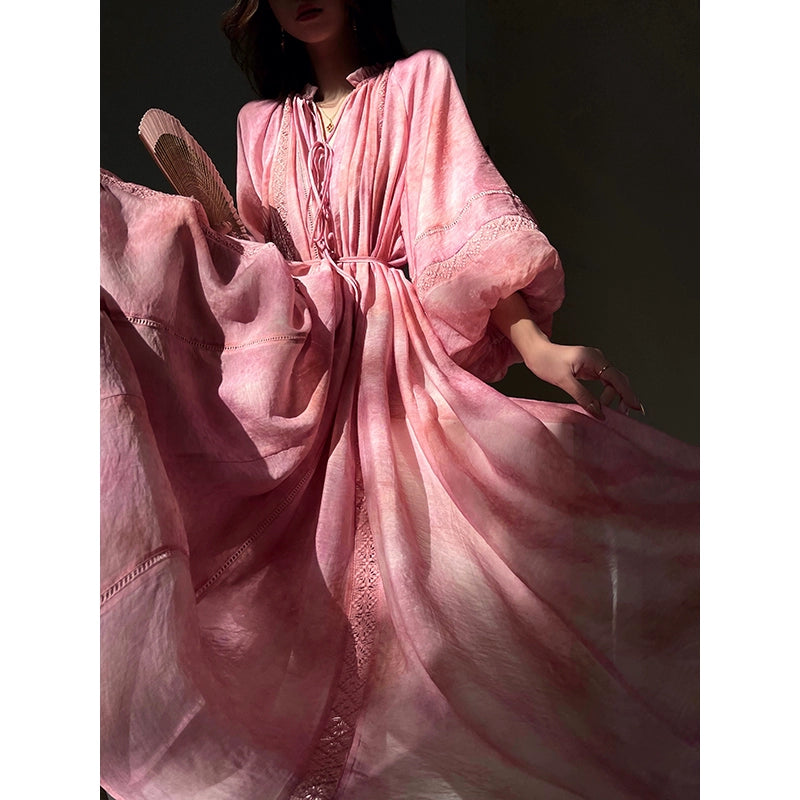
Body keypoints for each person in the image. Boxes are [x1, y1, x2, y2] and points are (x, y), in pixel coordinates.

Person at [100, 1, 699, 798]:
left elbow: (463, 231)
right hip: (305, 378)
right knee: (288, 620)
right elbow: (256, 278)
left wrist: (538, 348)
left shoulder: (419, 84)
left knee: (491, 561)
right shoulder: (257, 126)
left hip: (399, 366)